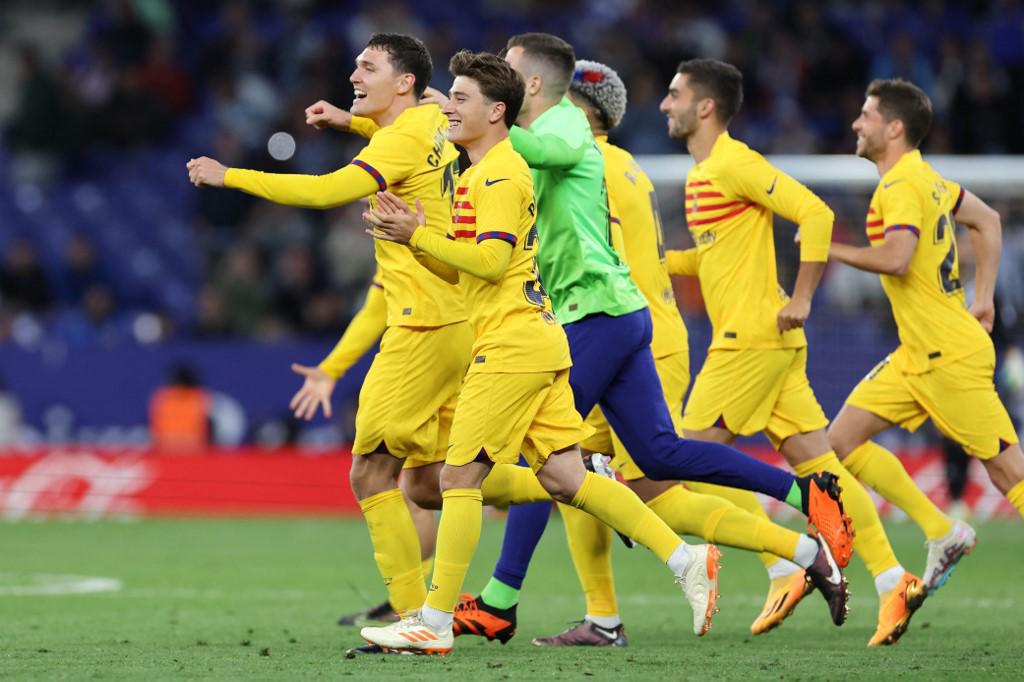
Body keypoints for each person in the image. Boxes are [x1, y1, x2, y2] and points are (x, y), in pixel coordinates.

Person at [450, 34, 852, 645]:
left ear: (538, 89)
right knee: (645, 466)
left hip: (600, 319)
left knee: (554, 461)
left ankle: (510, 601)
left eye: (507, 71)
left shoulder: (565, 140)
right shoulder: (624, 164)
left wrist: (464, 125)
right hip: (633, 319)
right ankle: (802, 507)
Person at [358, 50, 721, 655]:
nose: (449, 105)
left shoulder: (500, 174)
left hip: (510, 345)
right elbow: (468, 276)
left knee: (457, 476)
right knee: (564, 475)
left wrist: (420, 235)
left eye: (462, 98)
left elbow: (494, 261)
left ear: (498, 111)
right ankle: (685, 558)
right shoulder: (479, 173)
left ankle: (434, 619)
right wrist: (417, 239)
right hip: (535, 337)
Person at [188, 32, 474, 620]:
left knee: (370, 473)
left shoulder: (405, 134)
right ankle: (582, 484)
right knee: (428, 483)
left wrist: (230, 176)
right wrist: (352, 119)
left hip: (423, 326)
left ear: (404, 83)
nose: (353, 75)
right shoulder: (431, 120)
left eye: (367, 67)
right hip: (456, 317)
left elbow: (325, 191)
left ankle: (414, 616)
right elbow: (408, 126)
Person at [659, 59, 923, 647]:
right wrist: (652, 266)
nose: (663, 106)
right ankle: (891, 578)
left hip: (750, 340)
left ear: (705, 107)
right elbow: (710, 258)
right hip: (764, 343)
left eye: (674, 95)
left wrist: (803, 295)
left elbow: (818, 212)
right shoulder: (705, 176)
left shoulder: (735, 162)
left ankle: (786, 563)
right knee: (820, 464)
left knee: (681, 460)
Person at [828, 79, 1024, 593]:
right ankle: (943, 530)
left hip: (949, 357)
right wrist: (982, 298)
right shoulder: (927, 179)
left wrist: (834, 249)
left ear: (893, 128)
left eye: (866, 115)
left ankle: (945, 529)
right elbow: (988, 220)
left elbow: (897, 258)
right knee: (840, 442)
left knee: (1009, 473)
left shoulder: (901, 186)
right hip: (917, 354)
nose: (856, 123)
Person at [289, 270, 437, 627]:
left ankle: (415, 611)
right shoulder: (402, 235)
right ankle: (414, 606)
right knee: (424, 483)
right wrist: (330, 369)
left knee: (388, 476)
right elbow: (375, 309)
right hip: (445, 345)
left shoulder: (415, 223)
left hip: (433, 346)